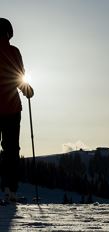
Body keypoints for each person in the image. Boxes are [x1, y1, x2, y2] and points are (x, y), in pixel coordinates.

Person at [0, 18, 34, 202]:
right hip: (11, 108)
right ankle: (9, 191)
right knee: (11, 150)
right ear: (8, 33)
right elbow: (18, 75)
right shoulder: (14, 51)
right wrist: (27, 90)